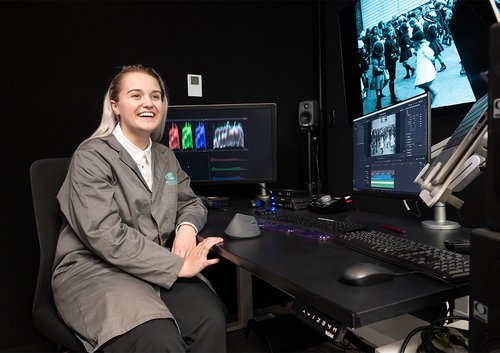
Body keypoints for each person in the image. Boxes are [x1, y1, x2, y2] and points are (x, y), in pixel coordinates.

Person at [52, 64, 227, 352]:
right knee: (158, 339)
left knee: (209, 318)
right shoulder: (91, 156)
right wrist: (179, 265)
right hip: (97, 269)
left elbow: (191, 201)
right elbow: (104, 234)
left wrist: (186, 228)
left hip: (151, 266)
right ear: (115, 106)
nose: (148, 103)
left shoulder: (164, 156)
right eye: (136, 95)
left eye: (155, 96)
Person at [412, 30, 439, 104]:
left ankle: (432, 94)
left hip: (425, 69)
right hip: (422, 69)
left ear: (418, 41)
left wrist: (432, 58)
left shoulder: (424, 47)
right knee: (422, 84)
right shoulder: (420, 48)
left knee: (422, 83)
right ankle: (430, 96)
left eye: (415, 41)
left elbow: (430, 54)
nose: (414, 43)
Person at [370, 40, 387, 110]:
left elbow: (375, 68)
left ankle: (379, 104)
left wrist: (379, 69)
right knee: (380, 88)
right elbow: (383, 66)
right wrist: (382, 69)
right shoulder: (382, 57)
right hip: (382, 74)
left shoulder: (373, 58)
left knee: (378, 90)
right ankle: (379, 104)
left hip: (377, 75)